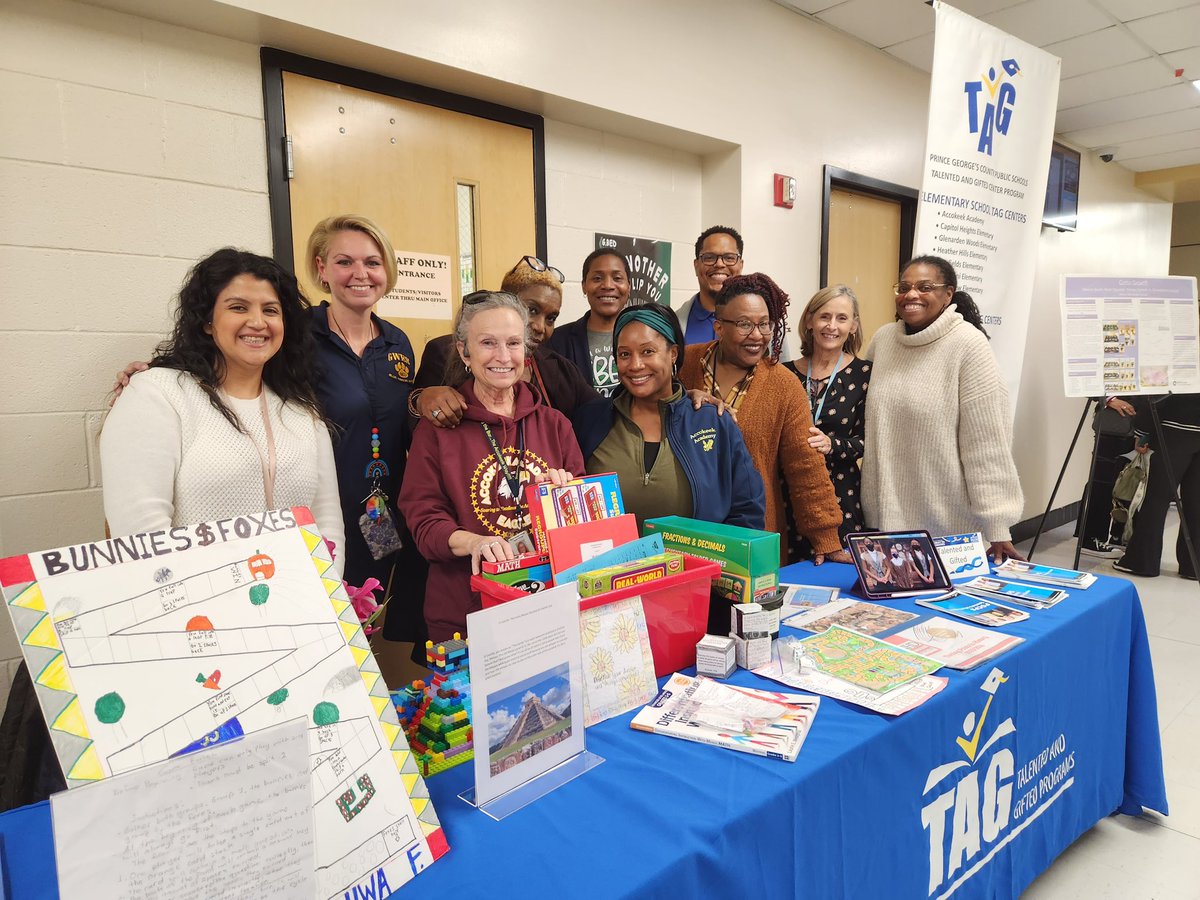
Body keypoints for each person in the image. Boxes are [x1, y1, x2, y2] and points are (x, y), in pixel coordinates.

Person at [101, 248, 344, 561]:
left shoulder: (300, 410)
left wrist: (324, 598)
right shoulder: (158, 394)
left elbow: (326, 524)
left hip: (295, 603)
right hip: (196, 604)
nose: (257, 322)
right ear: (207, 322)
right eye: (238, 307)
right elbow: (141, 533)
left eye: (271, 310)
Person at [398, 292, 584, 641]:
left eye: (513, 343)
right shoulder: (437, 430)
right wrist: (473, 543)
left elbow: (584, 524)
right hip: (465, 614)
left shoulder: (556, 424)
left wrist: (566, 496)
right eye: (487, 343)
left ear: (526, 352)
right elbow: (423, 519)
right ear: (463, 351)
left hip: (548, 607)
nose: (502, 357)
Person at [862, 255, 1025, 564]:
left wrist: (998, 523)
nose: (911, 295)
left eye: (925, 287)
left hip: (949, 531)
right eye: (904, 286)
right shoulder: (883, 340)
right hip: (883, 524)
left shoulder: (968, 346)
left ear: (948, 294)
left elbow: (987, 446)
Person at [677, 273, 847, 565]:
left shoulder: (783, 385)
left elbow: (805, 465)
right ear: (719, 327)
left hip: (752, 537)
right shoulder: (685, 364)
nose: (757, 335)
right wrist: (682, 392)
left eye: (764, 324)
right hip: (686, 533)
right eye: (744, 324)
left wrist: (825, 538)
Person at [573, 303, 765, 530]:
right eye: (624, 354)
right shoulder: (589, 421)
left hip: (698, 564)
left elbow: (747, 510)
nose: (635, 365)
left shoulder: (713, 422)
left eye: (647, 351)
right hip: (609, 564)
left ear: (673, 353)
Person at [305, 215, 417, 599]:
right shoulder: (298, 337)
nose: (360, 274)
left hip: (382, 514)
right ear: (322, 268)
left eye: (372, 262)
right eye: (344, 262)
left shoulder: (397, 343)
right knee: (329, 617)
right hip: (323, 515)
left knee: (374, 610)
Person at [410, 256, 598, 426]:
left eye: (551, 318)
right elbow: (411, 424)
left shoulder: (559, 369)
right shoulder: (444, 352)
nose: (541, 326)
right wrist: (421, 400)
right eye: (531, 310)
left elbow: (601, 411)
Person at [785, 285, 871, 545]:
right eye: (824, 316)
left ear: (853, 326)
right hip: (789, 492)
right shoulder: (784, 373)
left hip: (840, 496)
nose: (831, 326)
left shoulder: (866, 375)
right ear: (810, 321)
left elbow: (868, 442)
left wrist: (831, 444)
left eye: (841, 318)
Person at [1114, 394, 1200, 579]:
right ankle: (1194, 566)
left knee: (1156, 497)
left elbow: (1158, 396)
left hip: (1174, 429)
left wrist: (1142, 433)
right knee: (1196, 501)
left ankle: (1141, 562)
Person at [546, 248, 631, 396]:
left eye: (617, 278)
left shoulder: (646, 337)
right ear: (584, 286)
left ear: (629, 286)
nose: (608, 285)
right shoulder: (558, 341)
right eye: (597, 278)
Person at [675, 226, 745, 345]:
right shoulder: (673, 325)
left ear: (740, 265)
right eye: (709, 257)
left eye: (729, 258)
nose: (719, 264)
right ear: (696, 266)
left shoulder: (765, 322)